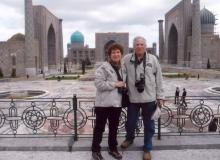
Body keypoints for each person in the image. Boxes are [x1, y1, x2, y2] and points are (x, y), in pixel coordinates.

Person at [121, 36, 164, 160]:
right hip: (133, 99)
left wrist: (160, 96)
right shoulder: (127, 59)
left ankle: (147, 148)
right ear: (133, 46)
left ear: (145, 46)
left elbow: (159, 79)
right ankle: (129, 139)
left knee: (149, 125)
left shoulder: (153, 59)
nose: (139, 46)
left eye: (141, 44)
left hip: (149, 99)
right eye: (137, 44)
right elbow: (122, 74)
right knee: (130, 123)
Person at [91, 43, 125, 160]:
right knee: (99, 128)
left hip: (116, 104)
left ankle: (112, 148)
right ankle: (95, 150)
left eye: (118, 52)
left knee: (114, 128)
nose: (116, 54)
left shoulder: (122, 69)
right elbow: (99, 84)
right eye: (113, 52)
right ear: (109, 55)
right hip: (103, 104)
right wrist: (115, 84)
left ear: (121, 54)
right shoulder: (103, 68)